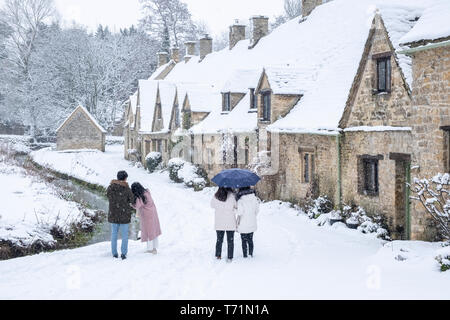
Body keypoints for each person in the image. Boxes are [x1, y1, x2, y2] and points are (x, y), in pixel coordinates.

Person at [106, 171, 134, 260]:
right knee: (125, 235)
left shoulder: (110, 187)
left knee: (114, 235)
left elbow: (108, 196)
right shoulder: (126, 189)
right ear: (125, 178)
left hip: (113, 214)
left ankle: (114, 253)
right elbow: (132, 200)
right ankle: (123, 254)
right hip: (124, 215)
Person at [131, 182, 162, 254]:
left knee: (149, 231)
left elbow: (136, 206)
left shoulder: (140, 197)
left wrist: (130, 204)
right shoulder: (147, 192)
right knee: (153, 230)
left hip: (147, 215)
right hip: (153, 213)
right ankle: (154, 247)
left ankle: (151, 249)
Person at [210, 187, 237, 263]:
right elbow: (236, 206)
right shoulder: (232, 196)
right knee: (230, 241)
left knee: (219, 240)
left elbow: (212, 205)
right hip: (230, 222)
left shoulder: (216, 196)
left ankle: (218, 255)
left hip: (219, 222)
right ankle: (230, 256)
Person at [236, 187, 260, 258]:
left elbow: (240, 212)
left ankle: (245, 255)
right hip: (251, 221)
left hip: (243, 222)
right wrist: (252, 215)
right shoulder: (254, 198)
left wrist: (236, 210)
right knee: (250, 239)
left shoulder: (240, 200)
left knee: (243, 240)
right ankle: (251, 253)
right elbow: (257, 210)